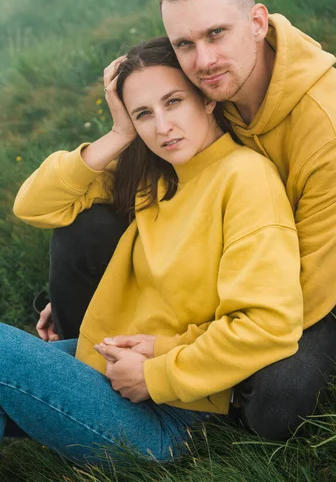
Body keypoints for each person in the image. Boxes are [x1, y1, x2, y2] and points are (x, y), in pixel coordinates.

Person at [35, 0, 336, 440]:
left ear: (256, 21)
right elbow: (42, 205)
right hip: (233, 248)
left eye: (216, 33)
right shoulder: (203, 93)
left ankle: (179, 405)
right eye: (184, 43)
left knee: (280, 399)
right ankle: (95, 360)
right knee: (83, 230)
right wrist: (121, 131)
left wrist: (171, 349)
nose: (203, 61)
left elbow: (304, 293)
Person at [7, 37, 303, 464]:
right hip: (112, 368)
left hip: (176, 416)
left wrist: (155, 374)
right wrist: (119, 134)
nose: (162, 127)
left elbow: (268, 326)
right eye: (144, 114)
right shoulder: (156, 175)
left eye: (173, 102)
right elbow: (34, 205)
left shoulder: (244, 180)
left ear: (206, 100)